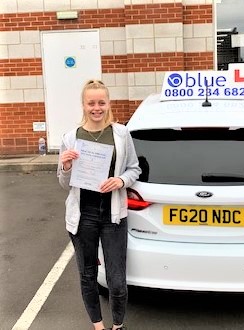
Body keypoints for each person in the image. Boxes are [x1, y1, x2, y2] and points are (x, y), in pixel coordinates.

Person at [57, 79, 141, 330]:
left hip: (113, 215)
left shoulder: (121, 134)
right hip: (83, 216)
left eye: (101, 102)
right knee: (88, 276)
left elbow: (134, 168)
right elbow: (64, 184)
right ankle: (98, 326)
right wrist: (66, 166)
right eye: (91, 103)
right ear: (84, 105)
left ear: (108, 104)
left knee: (116, 280)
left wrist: (120, 180)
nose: (97, 108)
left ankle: (118, 326)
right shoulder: (71, 137)